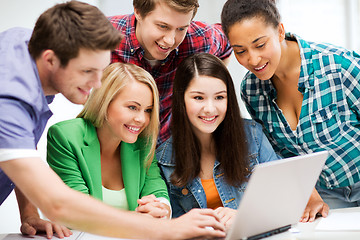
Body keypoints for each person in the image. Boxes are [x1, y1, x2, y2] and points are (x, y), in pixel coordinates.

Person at [0, 1, 226, 239]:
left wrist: (27, 213)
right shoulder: (9, 102)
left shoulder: (26, 45)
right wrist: (168, 229)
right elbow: (57, 205)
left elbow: (22, 143)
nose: (98, 85)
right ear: (51, 60)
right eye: (87, 71)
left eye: (101, 70)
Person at [219, 0, 360, 219]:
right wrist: (309, 194)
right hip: (322, 196)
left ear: (280, 31)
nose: (253, 59)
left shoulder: (338, 66)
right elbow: (281, 154)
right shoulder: (251, 90)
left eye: (260, 45)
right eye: (240, 51)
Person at [156, 52, 279, 230]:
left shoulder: (252, 136)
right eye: (198, 98)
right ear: (181, 99)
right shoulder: (164, 159)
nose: (210, 108)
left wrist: (244, 217)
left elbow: (280, 198)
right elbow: (173, 227)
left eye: (220, 97)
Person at [47, 62, 170, 218]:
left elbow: (156, 188)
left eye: (148, 110)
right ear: (104, 101)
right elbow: (79, 210)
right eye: (132, 107)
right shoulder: (65, 136)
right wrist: (137, 221)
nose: (141, 119)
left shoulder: (143, 142)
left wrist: (161, 210)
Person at [108, 0, 232, 148]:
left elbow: (227, 43)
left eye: (181, 29)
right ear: (138, 12)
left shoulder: (201, 38)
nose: (170, 40)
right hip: (112, 146)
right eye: (163, 26)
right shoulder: (104, 37)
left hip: (167, 146)